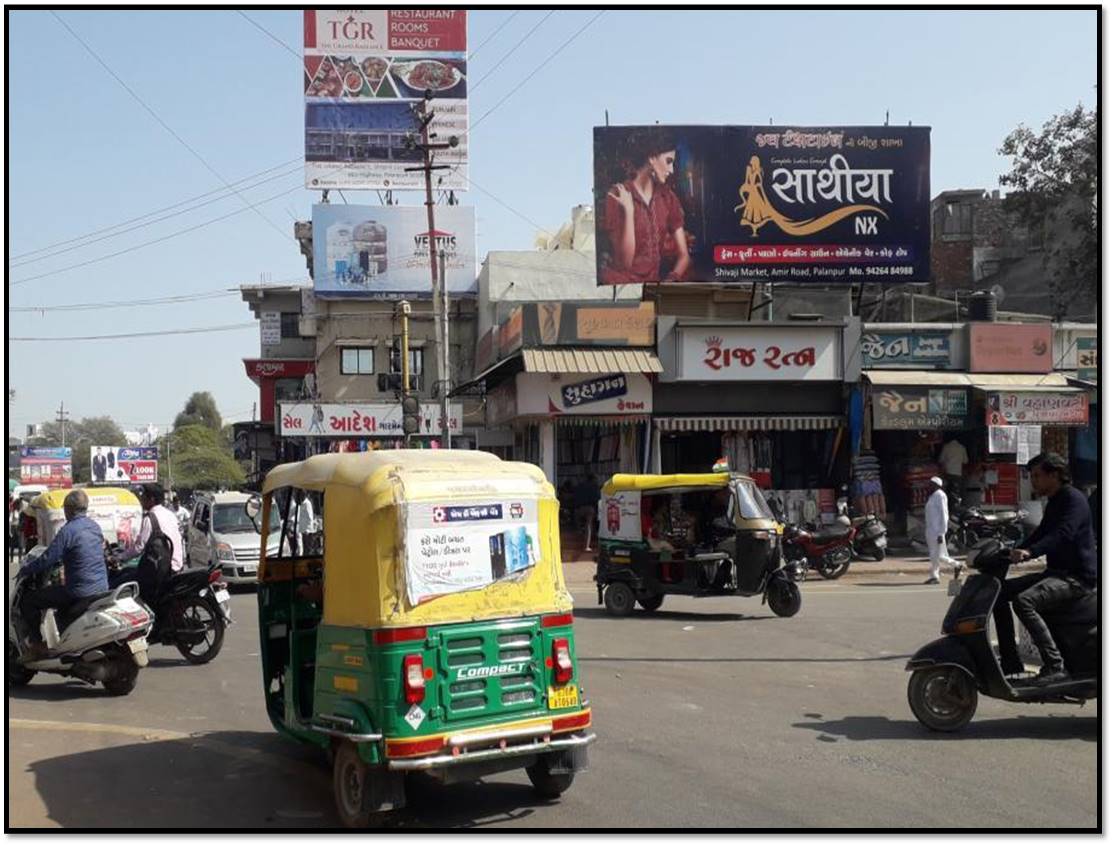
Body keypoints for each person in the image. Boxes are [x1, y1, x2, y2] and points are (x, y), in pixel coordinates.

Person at [993, 453, 1097, 685]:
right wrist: (1013, 551)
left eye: (1038, 476)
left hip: (1076, 578)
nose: (1034, 482)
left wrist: (1030, 553)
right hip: (1056, 574)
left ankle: (1054, 666)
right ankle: (1010, 661)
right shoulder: (1055, 501)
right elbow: (1041, 533)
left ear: (1056, 475)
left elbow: (1063, 533)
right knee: (998, 593)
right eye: (1032, 476)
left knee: (1024, 601)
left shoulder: (1073, 499)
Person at [18, 489, 109, 656]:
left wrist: (26, 569)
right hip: (101, 588)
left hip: (79, 591)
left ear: (68, 509)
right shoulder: (94, 527)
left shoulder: (68, 531)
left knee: (29, 600)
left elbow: (48, 558)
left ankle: (37, 644)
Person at [601, 128, 690, 284]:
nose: (671, 170)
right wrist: (629, 212)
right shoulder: (617, 195)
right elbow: (625, 264)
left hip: (654, 289)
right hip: (623, 292)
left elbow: (684, 256)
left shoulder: (667, 198)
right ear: (652, 158)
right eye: (668, 161)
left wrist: (671, 279)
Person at [119, 482, 184, 574]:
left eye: (143, 496)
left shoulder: (150, 518)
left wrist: (120, 557)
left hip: (162, 571)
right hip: (177, 567)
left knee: (123, 577)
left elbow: (138, 548)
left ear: (151, 499)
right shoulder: (170, 514)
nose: (141, 499)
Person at [923, 476, 958, 585]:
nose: (929, 486)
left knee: (938, 555)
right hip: (931, 530)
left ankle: (956, 565)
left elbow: (944, 514)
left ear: (936, 485)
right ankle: (935, 575)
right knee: (935, 555)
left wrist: (941, 532)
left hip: (937, 531)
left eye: (931, 484)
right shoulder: (932, 496)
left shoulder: (940, 495)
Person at [573, 475, 600, 552]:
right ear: (593, 479)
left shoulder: (580, 486)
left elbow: (576, 497)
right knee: (589, 526)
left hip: (579, 509)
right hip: (590, 508)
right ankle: (586, 546)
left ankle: (579, 532)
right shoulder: (595, 487)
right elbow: (597, 499)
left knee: (578, 520)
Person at [939, 438, 968, 505]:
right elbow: (965, 461)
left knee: (947, 490)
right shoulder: (962, 447)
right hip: (958, 473)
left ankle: (947, 505)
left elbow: (941, 460)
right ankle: (955, 505)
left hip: (948, 472)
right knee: (956, 492)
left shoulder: (946, 447)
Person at [295, 490, 316, 556]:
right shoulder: (302, 503)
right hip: (303, 530)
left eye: (302, 495)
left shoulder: (307, 503)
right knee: (304, 547)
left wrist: (308, 529)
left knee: (307, 548)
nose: (301, 497)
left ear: (304, 495)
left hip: (307, 530)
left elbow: (310, 517)